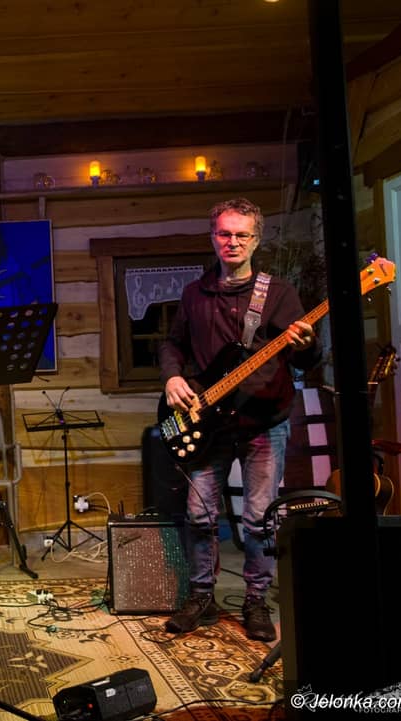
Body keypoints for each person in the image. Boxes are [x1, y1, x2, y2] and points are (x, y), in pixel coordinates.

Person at [158, 197, 321, 642]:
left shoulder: (280, 293)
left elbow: (308, 359)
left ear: (256, 240)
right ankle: (201, 597)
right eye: (225, 233)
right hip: (206, 420)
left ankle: (256, 601)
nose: (233, 242)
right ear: (213, 237)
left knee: (259, 519)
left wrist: (306, 345)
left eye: (242, 235)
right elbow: (173, 344)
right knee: (199, 515)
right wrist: (172, 377)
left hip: (265, 420)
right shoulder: (194, 294)